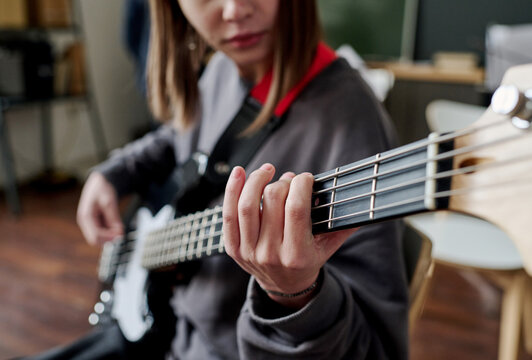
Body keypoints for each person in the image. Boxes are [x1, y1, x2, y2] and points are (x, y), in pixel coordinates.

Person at [23, 0, 409, 359]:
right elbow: (177, 134)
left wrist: (294, 296)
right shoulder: (221, 68)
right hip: (163, 326)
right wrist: (112, 173)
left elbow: (377, 349)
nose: (234, 10)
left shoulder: (354, 119)